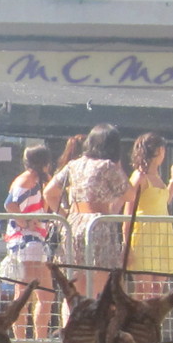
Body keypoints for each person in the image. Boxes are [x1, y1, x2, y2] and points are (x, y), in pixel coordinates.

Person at [42, 123, 131, 300]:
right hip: (99, 227)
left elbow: (49, 193)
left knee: (75, 290)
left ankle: (72, 324)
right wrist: (119, 166)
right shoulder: (107, 166)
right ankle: (96, 325)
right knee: (101, 287)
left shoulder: (74, 165)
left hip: (74, 225)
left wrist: (65, 214)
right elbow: (130, 193)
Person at [4, 145, 55, 343]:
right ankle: (22, 342)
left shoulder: (36, 179)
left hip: (35, 241)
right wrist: (26, 222)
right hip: (26, 241)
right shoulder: (26, 180)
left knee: (45, 293)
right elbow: (10, 204)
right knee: (25, 292)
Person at [123, 132, 173, 297]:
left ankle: (153, 323)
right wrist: (126, 245)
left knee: (158, 290)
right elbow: (127, 211)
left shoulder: (157, 176)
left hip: (162, 235)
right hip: (144, 234)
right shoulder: (139, 176)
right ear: (155, 150)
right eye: (161, 148)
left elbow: (163, 201)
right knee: (144, 289)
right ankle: (136, 322)